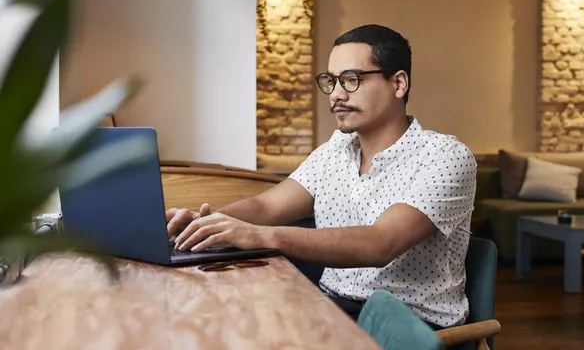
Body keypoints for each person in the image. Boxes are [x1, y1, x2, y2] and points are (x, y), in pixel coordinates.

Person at [167, 24, 477, 328]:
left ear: (398, 84)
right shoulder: (335, 150)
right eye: (331, 81)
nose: (336, 95)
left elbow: (382, 242)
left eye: (352, 80)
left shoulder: (445, 156)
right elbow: (267, 207)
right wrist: (205, 224)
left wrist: (262, 235)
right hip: (332, 308)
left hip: (409, 328)